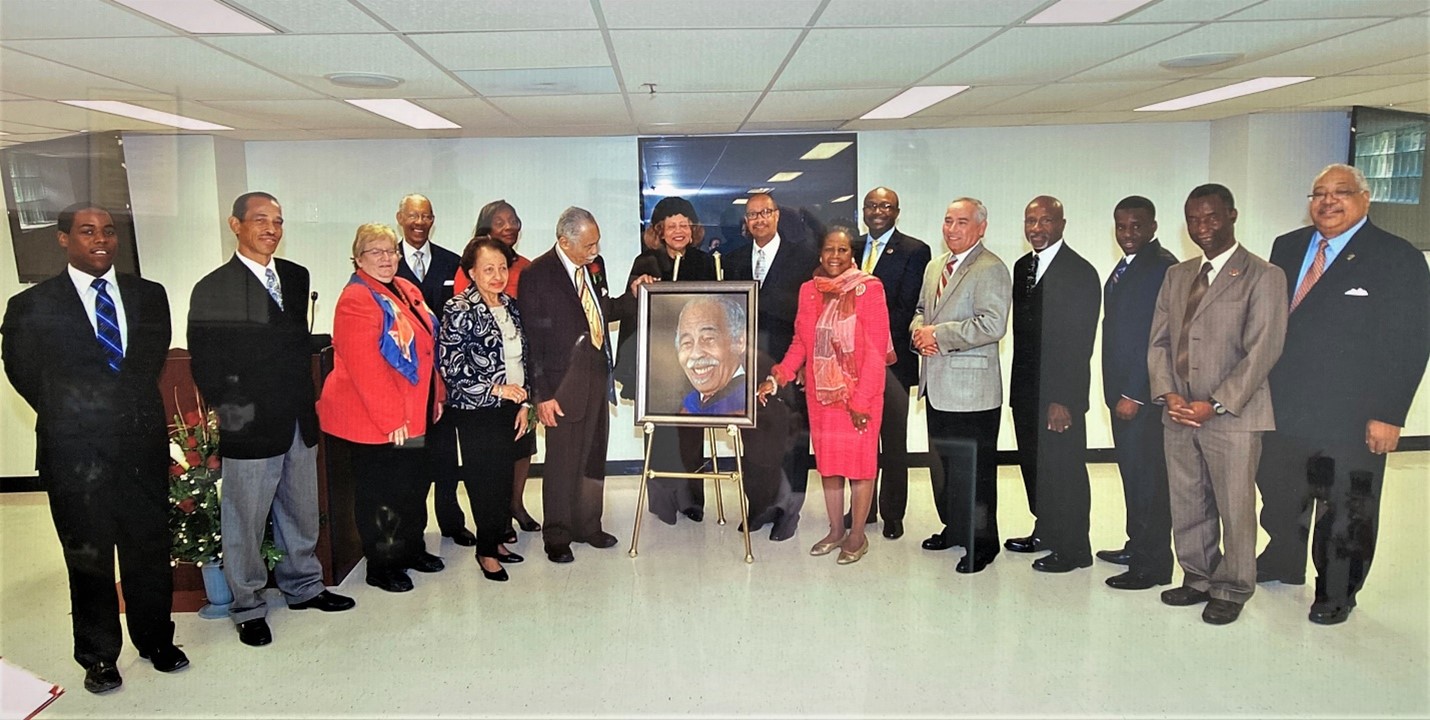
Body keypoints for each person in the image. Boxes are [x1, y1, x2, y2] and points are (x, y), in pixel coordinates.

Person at [2, 202, 186, 693]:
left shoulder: (149, 296)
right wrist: (79, 415)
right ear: (63, 239)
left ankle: (156, 640)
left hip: (140, 448)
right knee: (89, 558)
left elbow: (147, 367)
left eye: (107, 231)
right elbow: (24, 375)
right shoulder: (32, 306)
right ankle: (99, 656)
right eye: (86, 231)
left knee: (149, 550)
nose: (100, 239)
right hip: (74, 455)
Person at [1257, 164, 1430, 625]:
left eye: (1341, 192)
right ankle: (1281, 561)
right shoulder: (1287, 247)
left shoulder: (1397, 257)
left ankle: (1336, 591)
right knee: (1280, 494)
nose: (1328, 201)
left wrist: (1389, 413)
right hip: (1284, 406)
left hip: (1352, 415)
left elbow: (1410, 343)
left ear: (1365, 199)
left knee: (1346, 506)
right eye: (1319, 193)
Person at [188, 192, 354, 649]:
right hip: (250, 426)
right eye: (260, 220)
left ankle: (303, 588)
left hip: (298, 417)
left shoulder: (296, 277)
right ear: (235, 225)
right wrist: (234, 415)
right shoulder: (213, 287)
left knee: (300, 512)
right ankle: (247, 605)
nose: (271, 229)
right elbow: (206, 363)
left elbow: (291, 340)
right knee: (245, 519)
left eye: (278, 221)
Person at [1149, 183, 1287, 625]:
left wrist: (1217, 403)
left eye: (1211, 218)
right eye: (1193, 219)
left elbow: (1264, 349)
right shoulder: (1178, 274)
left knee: (1233, 503)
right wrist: (1168, 392)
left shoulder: (1264, 275)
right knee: (1187, 498)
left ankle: (1232, 586)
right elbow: (1159, 342)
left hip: (1234, 414)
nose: (1202, 228)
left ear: (1232, 216)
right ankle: (1198, 577)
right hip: (1178, 412)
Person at [317, 223, 447, 593]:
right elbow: (365, 367)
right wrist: (392, 419)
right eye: (376, 252)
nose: (386, 258)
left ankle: (411, 549)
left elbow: (426, 350)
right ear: (358, 259)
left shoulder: (405, 289)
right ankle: (383, 564)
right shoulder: (356, 298)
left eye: (391, 251)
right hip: (376, 420)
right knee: (381, 494)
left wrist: (435, 396)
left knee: (411, 486)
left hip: (413, 414)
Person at [518, 207, 647, 563]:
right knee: (561, 462)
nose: (595, 250)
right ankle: (557, 534)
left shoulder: (595, 266)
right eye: (588, 244)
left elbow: (600, 312)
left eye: (596, 243)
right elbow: (532, 341)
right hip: (560, 386)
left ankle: (589, 525)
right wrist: (540, 396)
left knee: (592, 456)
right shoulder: (537, 274)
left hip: (596, 376)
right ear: (564, 241)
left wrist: (633, 296)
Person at [757, 227, 891, 565]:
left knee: (860, 467)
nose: (835, 256)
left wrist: (861, 401)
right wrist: (779, 377)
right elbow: (801, 342)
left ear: (852, 255)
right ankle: (834, 531)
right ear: (820, 254)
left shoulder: (869, 289)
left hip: (861, 393)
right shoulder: (809, 291)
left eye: (842, 250)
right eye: (829, 249)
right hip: (822, 396)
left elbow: (876, 352)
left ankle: (857, 535)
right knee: (830, 466)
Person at [911, 197, 1011, 574]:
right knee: (945, 468)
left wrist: (940, 334)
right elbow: (921, 311)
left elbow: (992, 324)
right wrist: (918, 334)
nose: (952, 229)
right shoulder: (936, 266)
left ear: (981, 227)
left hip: (974, 393)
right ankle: (954, 528)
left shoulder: (991, 268)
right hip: (936, 385)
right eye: (948, 221)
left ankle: (983, 544)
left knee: (977, 474)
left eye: (962, 222)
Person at [1007, 195, 1101, 573]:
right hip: (1026, 391)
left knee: (1065, 470)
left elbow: (1080, 343)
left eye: (1046, 221)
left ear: (1062, 224)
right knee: (1033, 465)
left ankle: (1075, 547)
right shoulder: (1022, 267)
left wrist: (1063, 399)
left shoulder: (1079, 271)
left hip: (1059, 395)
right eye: (1031, 221)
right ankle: (1045, 530)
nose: (1037, 229)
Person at [614, 196, 719, 524]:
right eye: (670, 225)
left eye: (683, 224)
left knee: (691, 434)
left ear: (693, 229)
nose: (678, 230)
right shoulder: (645, 262)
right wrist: (637, 289)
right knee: (659, 434)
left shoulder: (704, 263)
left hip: (694, 364)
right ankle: (662, 503)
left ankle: (692, 502)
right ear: (659, 230)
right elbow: (632, 313)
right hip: (657, 365)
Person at [724, 192, 818, 541]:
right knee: (755, 440)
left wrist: (804, 364)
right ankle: (760, 505)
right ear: (745, 223)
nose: (759, 220)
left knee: (792, 440)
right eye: (752, 215)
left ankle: (788, 513)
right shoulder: (732, 261)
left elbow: (809, 317)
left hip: (789, 362)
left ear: (777, 216)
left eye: (765, 213)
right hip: (745, 366)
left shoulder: (804, 258)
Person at [438, 236, 531, 582]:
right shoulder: (459, 308)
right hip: (478, 408)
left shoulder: (511, 306)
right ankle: (486, 551)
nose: (497, 275)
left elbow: (526, 359)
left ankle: (497, 540)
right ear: (472, 273)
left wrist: (525, 402)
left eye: (502, 268)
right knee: (484, 481)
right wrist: (497, 388)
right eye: (488, 269)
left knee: (504, 479)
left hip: (512, 408)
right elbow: (451, 366)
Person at [1099, 196, 1178, 591]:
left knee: (1149, 481)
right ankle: (1137, 545)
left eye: (1136, 226)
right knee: (1133, 476)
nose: (1128, 233)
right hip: (1121, 393)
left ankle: (1153, 565)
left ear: (1153, 227)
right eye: (1121, 226)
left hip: (1140, 397)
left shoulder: (1162, 267)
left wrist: (1136, 392)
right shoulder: (1128, 265)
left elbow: (1158, 337)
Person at [393, 194, 475, 547]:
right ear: (400, 218)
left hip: (446, 378)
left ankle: (452, 522)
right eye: (412, 215)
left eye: (425, 216)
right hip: (406, 381)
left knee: (445, 457)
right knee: (410, 462)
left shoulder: (451, 262)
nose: (419, 222)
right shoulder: (387, 263)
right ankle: (412, 533)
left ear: (433, 220)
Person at [850, 187, 931, 540]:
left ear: (897, 212)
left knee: (893, 440)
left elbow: (906, 306)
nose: (878, 211)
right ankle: (863, 509)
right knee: (859, 439)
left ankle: (893, 512)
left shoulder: (915, 251)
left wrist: (870, 340)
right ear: (863, 211)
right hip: (852, 364)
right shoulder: (850, 248)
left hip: (891, 360)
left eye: (886, 206)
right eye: (872, 205)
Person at [460, 199, 541, 538]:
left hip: (522, 384)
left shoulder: (528, 266)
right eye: (500, 221)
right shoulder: (470, 267)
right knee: (491, 462)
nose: (509, 226)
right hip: (486, 395)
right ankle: (495, 525)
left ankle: (516, 505)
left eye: (513, 220)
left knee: (524, 447)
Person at [676, 297, 747, 415]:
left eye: (708, 339)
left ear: (739, 342)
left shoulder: (755, 405)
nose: (696, 354)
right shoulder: (686, 406)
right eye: (687, 343)